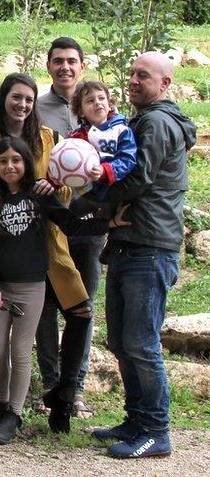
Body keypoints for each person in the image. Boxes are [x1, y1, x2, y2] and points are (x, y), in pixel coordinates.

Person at [0, 137, 122, 445]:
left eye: (16, 160)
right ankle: (0, 407)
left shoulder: (39, 195)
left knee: (19, 350)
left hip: (30, 288)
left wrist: (108, 221)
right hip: (0, 289)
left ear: (27, 163)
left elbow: (71, 224)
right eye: (3, 161)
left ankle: (14, 415)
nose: (10, 166)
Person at [88, 52, 196, 459]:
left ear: (165, 83)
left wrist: (93, 202)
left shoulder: (155, 122)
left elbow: (135, 179)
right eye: (132, 73)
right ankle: (136, 419)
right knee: (121, 339)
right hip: (130, 245)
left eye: (143, 76)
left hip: (150, 247)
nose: (133, 80)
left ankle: (156, 430)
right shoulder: (143, 119)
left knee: (141, 342)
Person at [0, 73, 96, 435]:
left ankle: (62, 396)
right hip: (1, 244)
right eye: (16, 97)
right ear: (3, 99)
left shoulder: (51, 138)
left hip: (48, 243)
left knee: (79, 312)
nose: (22, 105)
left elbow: (71, 187)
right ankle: (2, 403)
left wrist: (57, 185)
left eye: (29, 99)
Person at [33, 37, 101, 420]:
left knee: (82, 308)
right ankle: (50, 384)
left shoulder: (99, 111)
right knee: (45, 308)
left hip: (90, 226)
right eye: (58, 61)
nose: (65, 68)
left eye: (72, 61)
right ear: (48, 65)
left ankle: (73, 389)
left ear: (82, 64)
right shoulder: (37, 110)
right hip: (52, 225)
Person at [68, 81, 137, 200]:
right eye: (90, 101)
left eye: (101, 98)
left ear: (110, 104)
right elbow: (63, 161)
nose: (97, 103)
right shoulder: (76, 137)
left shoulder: (121, 131)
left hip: (113, 193)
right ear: (80, 111)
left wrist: (105, 170)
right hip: (85, 194)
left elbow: (128, 159)